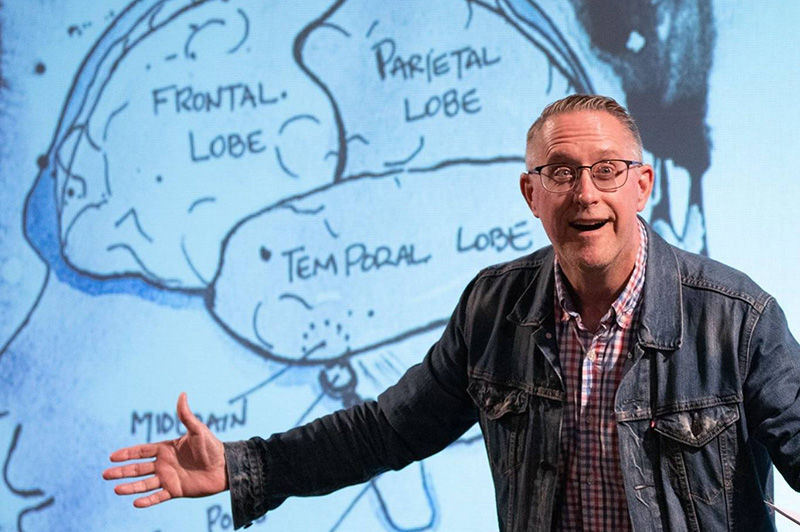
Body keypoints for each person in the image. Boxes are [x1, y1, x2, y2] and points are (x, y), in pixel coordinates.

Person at [103, 94, 800, 531]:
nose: (585, 192)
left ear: (642, 185)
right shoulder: (493, 310)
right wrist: (245, 465)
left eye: (606, 170)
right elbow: (387, 430)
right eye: (560, 172)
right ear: (531, 195)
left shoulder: (737, 320)